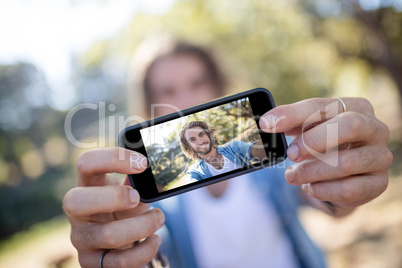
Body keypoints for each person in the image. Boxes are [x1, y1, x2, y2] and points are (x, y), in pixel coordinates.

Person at [63, 39, 393, 268]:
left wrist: (344, 172)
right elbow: (149, 251)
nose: (186, 99)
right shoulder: (160, 199)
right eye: (168, 90)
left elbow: (326, 199)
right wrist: (118, 248)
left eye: (197, 82)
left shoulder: (260, 164)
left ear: (218, 88)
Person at [178, 120, 266, 183]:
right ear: (188, 146)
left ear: (208, 134)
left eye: (201, 134)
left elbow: (256, 150)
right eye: (192, 140)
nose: (200, 142)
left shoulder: (234, 147)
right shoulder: (194, 172)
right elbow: (191, 184)